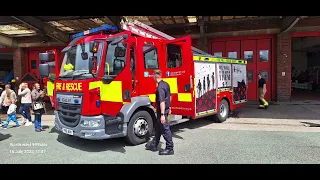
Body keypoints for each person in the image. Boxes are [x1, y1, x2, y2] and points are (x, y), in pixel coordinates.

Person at [146, 70, 174, 155]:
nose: (152, 78)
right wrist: (170, 107)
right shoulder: (166, 84)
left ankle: (170, 148)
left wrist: (162, 114)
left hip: (162, 111)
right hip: (165, 109)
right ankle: (154, 145)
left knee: (165, 129)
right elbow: (170, 96)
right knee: (158, 128)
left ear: (155, 76)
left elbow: (162, 101)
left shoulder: (160, 87)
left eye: (152, 76)